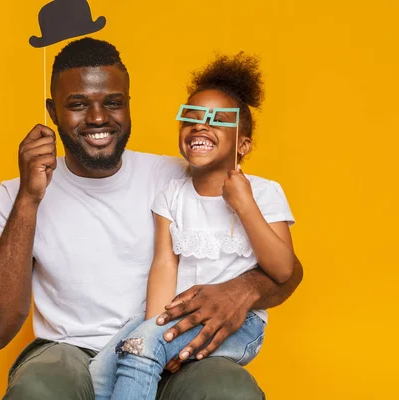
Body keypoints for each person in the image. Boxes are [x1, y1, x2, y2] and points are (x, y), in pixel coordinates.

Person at [0, 38, 303, 400]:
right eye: (78, 104)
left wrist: (241, 290)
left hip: (172, 351)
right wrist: (29, 200)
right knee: (40, 387)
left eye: (112, 103)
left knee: (227, 389)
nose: (97, 117)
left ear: (128, 106)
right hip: (69, 352)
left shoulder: (183, 179)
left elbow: (287, 272)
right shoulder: (15, 195)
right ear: (52, 111)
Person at [89, 52, 296, 400]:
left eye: (217, 120)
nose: (200, 125)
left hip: (239, 325)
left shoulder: (263, 192)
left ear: (242, 145)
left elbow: (282, 268)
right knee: (100, 374)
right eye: (192, 118)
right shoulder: (171, 195)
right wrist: (153, 327)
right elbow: (165, 265)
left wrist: (245, 206)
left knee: (140, 353)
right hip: (176, 315)